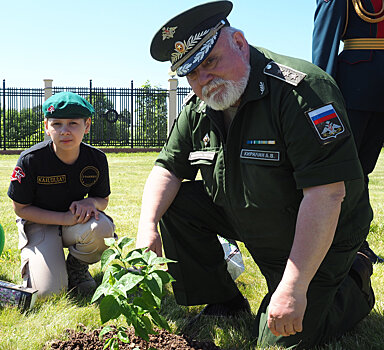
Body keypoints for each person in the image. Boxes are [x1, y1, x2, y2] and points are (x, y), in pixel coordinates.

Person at [136, 1, 375, 348]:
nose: (203, 80)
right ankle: (224, 300)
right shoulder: (201, 105)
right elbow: (168, 167)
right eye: (192, 73)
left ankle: (353, 282)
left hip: (319, 237)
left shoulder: (301, 91)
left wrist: (292, 288)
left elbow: (326, 194)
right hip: (254, 216)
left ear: (240, 43)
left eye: (211, 62)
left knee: (278, 339)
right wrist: (148, 227)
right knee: (175, 204)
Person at [7, 91, 116, 298]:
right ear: (46, 127)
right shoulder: (31, 160)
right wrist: (62, 218)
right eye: (57, 124)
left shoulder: (96, 158)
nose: (65, 131)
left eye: (73, 123)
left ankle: (76, 268)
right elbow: (20, 208)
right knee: (48, 293)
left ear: (87, 125)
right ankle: (44, 266)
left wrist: (91, 202)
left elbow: (103, 200)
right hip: (39, 222)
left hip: (75, 222)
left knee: (101, 227)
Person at [312, 0, 384, 264]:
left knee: (363, 170)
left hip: (378, 91)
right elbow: (326, 40)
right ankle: (345, 242)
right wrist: (321, 96)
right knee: (347, 172)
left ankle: (356, 241)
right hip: (354, 88)